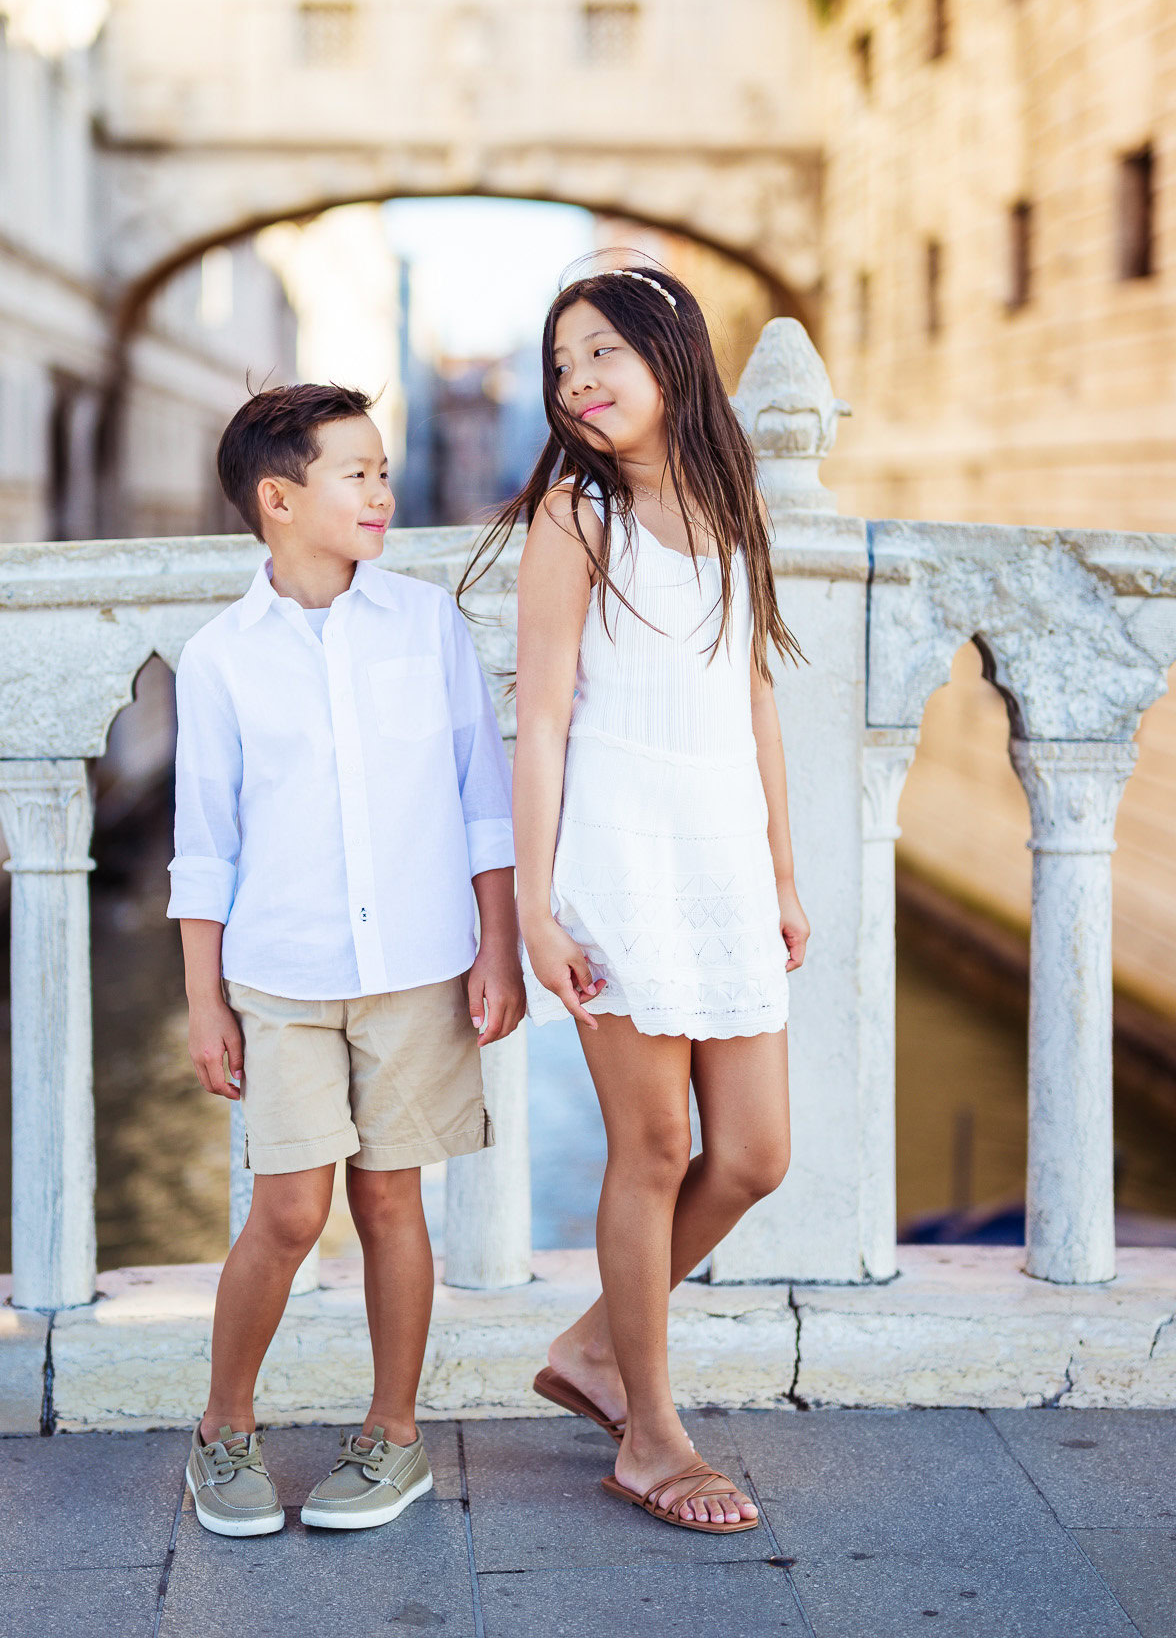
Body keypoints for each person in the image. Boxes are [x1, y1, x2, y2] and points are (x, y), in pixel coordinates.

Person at [461, 256, 808, 1535]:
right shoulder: (573, 517)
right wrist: (540, 912)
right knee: (655, 1148)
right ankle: (648, 1438)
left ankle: (598, 1348)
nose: (579, 382)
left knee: (757, 1153)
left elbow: (753, 692)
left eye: (601, 351)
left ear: (670, 356)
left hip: (717, 857)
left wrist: (778, 869)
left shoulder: (731, 503)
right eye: (561, 366)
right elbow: (539, 723)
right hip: (617, 856)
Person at [170, 381, 521, 1537]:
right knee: (284, 1211)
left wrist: (497, 947)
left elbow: (482, 802)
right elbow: (205, 845)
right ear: (278, 498)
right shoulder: (221, 658)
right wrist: (204, 1004)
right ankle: (224, 1430)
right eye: (354, 473)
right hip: (279, 976)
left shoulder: (426, 624)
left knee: (389, 1202)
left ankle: (394, 1436)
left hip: (419, 964)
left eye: (382, 469)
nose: (380, 491)